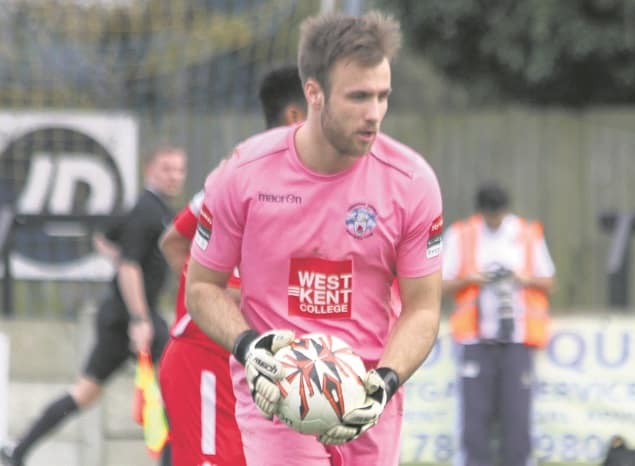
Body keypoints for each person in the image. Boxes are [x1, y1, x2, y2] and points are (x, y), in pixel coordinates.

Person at [185, 11, 443, 466]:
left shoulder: (412, 182)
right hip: (276, 395)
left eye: (383, 96)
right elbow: (203, 287)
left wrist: (384, 382)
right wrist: (251, 348)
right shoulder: (242, 175)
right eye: (359, 97)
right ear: (314, 94)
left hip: (368, 400)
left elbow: (423, 308)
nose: (374, 114)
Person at [158, 64, 306, 466]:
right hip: (206, 362)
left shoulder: (307, 179)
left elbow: (175, 241)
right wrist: (206, 298)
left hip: (249, 370)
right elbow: (175, 243)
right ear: (297, 114)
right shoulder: (243, 174)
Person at [0, 147, 187, 466]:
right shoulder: (146, 211)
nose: (174, 176)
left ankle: (18, 449)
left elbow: (103, 237)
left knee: (86, 393)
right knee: (179, 390)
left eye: (179, 170)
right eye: (166, 168)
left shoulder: (149, 209)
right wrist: (139, 318)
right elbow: (130, 266)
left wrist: (116, 260)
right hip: (132, 319)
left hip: (120, 315)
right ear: (149, 169)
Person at [441, 182, 555, 466]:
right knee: (474, 417)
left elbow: (548, 280)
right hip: (476, 340)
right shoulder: (461, 234)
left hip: (517, 339)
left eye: (498, 214)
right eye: (489, 214)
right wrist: (471, 279)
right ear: (480, 211)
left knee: (517, 417)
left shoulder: (527, 233)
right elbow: (440, 282)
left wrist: (521, 278)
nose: (494, 219)